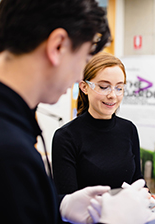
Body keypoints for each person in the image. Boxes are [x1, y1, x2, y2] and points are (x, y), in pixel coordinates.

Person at [0, 0, 152, 223]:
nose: (78, 76)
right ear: (58, 46)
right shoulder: (2, 153)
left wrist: (59, 206)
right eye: (83, 59)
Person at [52, 52, 149, 196]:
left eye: (119, 88)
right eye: (104, 87)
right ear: (84, 87)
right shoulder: (66, 137)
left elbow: (137, 180)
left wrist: (147, 195)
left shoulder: (129, 129)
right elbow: (66, 200)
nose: (113, 95)